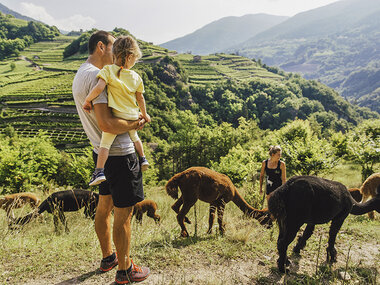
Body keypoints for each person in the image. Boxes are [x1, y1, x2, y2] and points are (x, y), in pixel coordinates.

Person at [72, 30, 150, 284]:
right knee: (124, 214)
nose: (117, 55)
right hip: (119, 155)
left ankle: (108, 257)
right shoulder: (97, 76)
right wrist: (135, 123)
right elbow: (106, 123)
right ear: (101, 47)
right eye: (113, 48)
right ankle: (125, 270)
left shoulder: (80, 74)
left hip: (101, 154)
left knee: (104, 206)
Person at [83, 35, 151, 186]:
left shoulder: (108, 70)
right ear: (129, 56)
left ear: (115, 54)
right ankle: (143, 158)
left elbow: (99, 88)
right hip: (133, 115)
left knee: (104, 145)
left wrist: (87, 100)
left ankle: (99, 171)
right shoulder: (136, 77)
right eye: (135, 59)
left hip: (118, 115)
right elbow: (140, 99)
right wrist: (145, 115)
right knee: (135, 138)